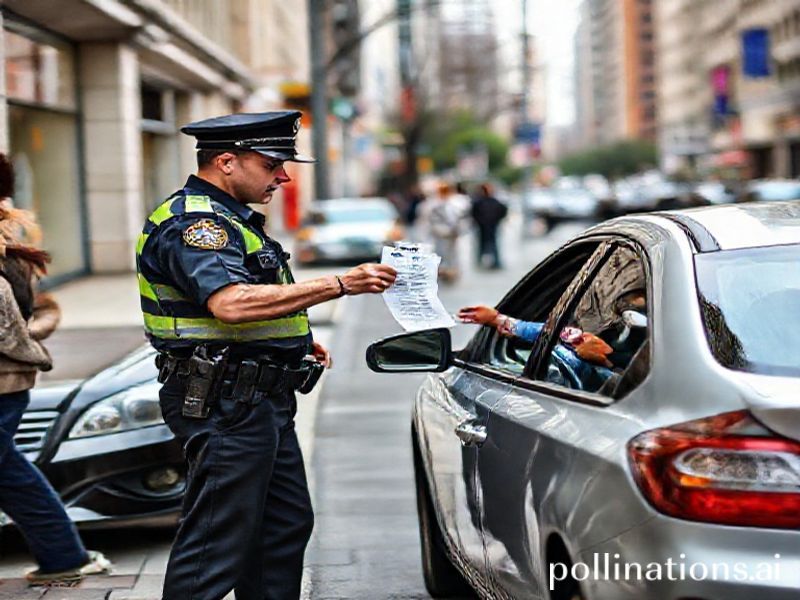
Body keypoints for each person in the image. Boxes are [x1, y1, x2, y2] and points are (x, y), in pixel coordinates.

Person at [136, 111, 397, 600]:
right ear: (227, 162)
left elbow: (247, 304)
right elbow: (230, 303)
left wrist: (290, 342)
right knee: (217, 545)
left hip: (256, 400)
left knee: (282, 527)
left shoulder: (232, 219)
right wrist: (338, 283)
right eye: (273, 162)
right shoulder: (197, 224)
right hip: (226, 404)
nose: (284, 175)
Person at [0, 153, 111, 586]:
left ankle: (65, 555)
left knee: (9, 469)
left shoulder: (12, 242)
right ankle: (64, 555)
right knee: (9, 470)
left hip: (6, 381)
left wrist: (26, 347)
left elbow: (29, 314)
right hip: (13, 376)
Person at [418, 182, 470, 283]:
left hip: (451, 236)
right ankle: (444, 272)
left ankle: (451, 272)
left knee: (452, 255)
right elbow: (428, 222)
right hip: (439, 235)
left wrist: (457, 231)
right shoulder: (432, 205)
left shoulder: (456, 203)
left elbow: (461, 219)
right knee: (441, 254)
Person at [470, 183, 508, 269]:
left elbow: (503, 211)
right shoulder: (479, 202)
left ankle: (495, 262)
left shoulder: (490, 201)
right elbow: (474, 213)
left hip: (491, 226)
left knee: (491, 244)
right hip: (484, 227)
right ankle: (485, 261)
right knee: (485, 244)